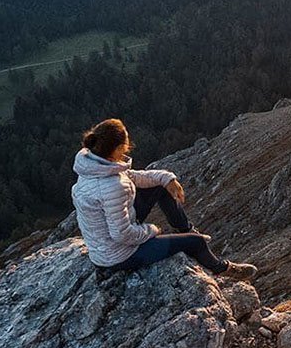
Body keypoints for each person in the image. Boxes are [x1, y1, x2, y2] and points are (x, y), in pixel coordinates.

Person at [71, 117, 254, 279]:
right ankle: (221, 268)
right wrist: (152, 230)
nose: (128, 147)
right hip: (119, 255)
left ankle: (185, 229)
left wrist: (167, 178)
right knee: (196, 243)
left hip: (105, 245)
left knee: (160, 186)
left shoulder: (95, 164)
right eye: (126, 144)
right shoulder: (112, 186)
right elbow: (121, 234)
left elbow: (134, 177)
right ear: (118, 148)